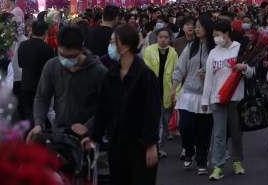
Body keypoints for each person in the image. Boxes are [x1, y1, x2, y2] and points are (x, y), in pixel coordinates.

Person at [91, 24, 161, 185]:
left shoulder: (145, 75)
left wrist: (151, 145)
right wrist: (95, 137)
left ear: (125, 45)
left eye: (113, 42)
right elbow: (102, 109)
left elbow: (152, 112)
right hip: (116, 143)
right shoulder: (111, 75)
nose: (110, 46)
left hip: (140, 144)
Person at [27, 25, 107, 141]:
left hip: (89, 137)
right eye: (63, 56)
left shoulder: (98, 71)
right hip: (60, 133)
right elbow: (42, 97)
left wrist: (88, 126)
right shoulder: (52, 66)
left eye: (72, 57)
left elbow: (107, 105)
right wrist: (38, 123)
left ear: (81, 48)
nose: (67, 60)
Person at [201, 20, 254, 181]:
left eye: (218, 35)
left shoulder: (239, 49)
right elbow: (209, 78)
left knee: (236, 132)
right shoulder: (213, 53)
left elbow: (252, 72)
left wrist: (244, 68)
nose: (216, 38)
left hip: (236, 98)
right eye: (214, 35)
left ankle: (237, 161)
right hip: (217, 98)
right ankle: (218, 166)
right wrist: (205, 100)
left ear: (226, 34)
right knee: (219, 133)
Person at [171, 15, 215, 175]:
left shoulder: (215, 49)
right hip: (188, 94)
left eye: (199, 26)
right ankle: (188, 150)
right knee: (185, 127)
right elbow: (180, 68)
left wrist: (210, 75)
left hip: (207, 96)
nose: (196, 29)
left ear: (208, 28)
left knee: (204, 131)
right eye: (195, 26)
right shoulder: (191, 47)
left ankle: (202, 160)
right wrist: (173, 87)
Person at [143, 27, 178, 155]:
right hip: (153, 90)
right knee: (155, 121)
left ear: (170, 39)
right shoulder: (149, 51)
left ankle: (161, 147)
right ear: (156, 38)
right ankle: (154, 146)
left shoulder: (173, 53)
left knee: (165, 120)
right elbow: (146, 71)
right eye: (160, 37)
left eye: (166, 37)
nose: (163, 40)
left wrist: (176, 92)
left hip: (168, 91)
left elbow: (176, 73)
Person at [17, 20, 55, 122]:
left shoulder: (23, 45)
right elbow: (51, 70)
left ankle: (28, 135)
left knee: (28, 114)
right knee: (42, 114)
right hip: (42, 86)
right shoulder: (48, 49)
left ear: (32, 31)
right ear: (45, 32)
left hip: (26, 84)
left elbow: (20, 64)